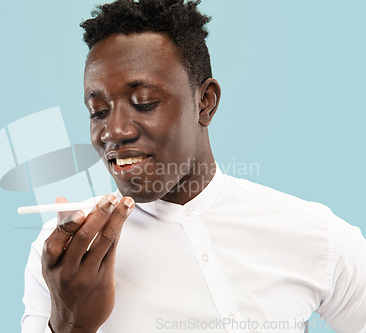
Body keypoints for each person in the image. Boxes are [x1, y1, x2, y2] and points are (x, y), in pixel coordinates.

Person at [21, 1, 366, 332]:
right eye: (97, 111)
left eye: (144, 103)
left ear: (205, 103)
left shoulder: (316, 236)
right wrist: (71, 325)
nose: (113, 131)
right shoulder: (64, 258)